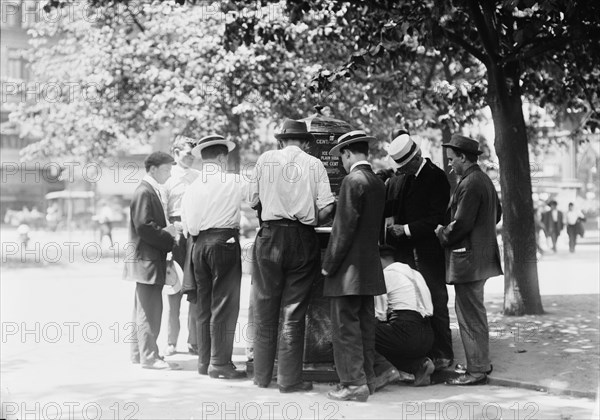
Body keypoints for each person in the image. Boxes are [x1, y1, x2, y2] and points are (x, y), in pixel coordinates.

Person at [249, 119, 335, 392]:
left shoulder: (264, 160)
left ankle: (262, 377)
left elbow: (252, 200)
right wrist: (308, 215)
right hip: (302, 238)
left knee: (264, 309)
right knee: (293, 311)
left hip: (269, 236)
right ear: (306, 142)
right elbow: (327, 208)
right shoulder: (315, 164)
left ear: (281, 140)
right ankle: (288, 379)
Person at [322, 130, 386, 402]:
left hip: (347, 270)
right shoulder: (378, 182)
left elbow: (343, 229)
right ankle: (367, 379)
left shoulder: (352, 181)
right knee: (365, 326)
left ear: (348, 153)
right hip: (370, 267)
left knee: (345, 327)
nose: (342, 163)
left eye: (342, 157)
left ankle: (352, 383)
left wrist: (328, 264)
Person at [435, 134, 503, 385]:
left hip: (469, 262)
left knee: (469, 315)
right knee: (474, 312)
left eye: (452, 159)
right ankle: (479, 363)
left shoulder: (470, 182)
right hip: (481, 259)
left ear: (464, 157)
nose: (450, 164)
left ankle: (476, 371)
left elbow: (461, 223)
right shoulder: (483, 180)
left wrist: (442, 233)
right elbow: (497, 214)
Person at [384, 131, 454, 371]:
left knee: (436, 300)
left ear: (415, 158)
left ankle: (443, 353)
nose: (400, 171)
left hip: (427, 252)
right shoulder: (404, 178)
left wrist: (404, 229)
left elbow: (436, 218)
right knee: (412, 305)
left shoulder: (437, 177)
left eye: (403, 166)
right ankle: (424, 354)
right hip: (406, 254)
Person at [181, 134, 247, 379]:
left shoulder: (192, 186)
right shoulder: (233, 181)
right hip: (224, 242)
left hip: (199, 245)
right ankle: (220, 364)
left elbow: (189, 226)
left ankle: (204, 361)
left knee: (204, 304)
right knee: (225, 305)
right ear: (221, 157)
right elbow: (254, 199)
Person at [123, 151, 180, 370]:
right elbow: (144, 226)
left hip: (145, 258)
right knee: (150, 309)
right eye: (166, 169)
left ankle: (140, 354)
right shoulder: (145, 191)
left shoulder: (149, 190)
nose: (169, 174)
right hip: (146, 259)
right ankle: (149, 356)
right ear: (153, 169)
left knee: (143, 308)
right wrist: (169, 235)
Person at [372, 245, 435, 390]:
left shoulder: (385, 275)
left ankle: (384, 370)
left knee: (363, 332)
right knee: (391, 341)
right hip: (428, 334)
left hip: (406, 330)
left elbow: (379, 314)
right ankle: (421, 365)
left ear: (378, 260)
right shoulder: (415, 273)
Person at [162, 135, 200, 357]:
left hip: (195, 235)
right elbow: (163, 211)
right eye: (187, 153)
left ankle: (194, 340)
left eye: (194, 154)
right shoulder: (168, 177)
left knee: (194, 290)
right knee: (173, 290)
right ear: (176, 153)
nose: (191, 158)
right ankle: (171, 341)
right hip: (175, 237)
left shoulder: (199, 177)